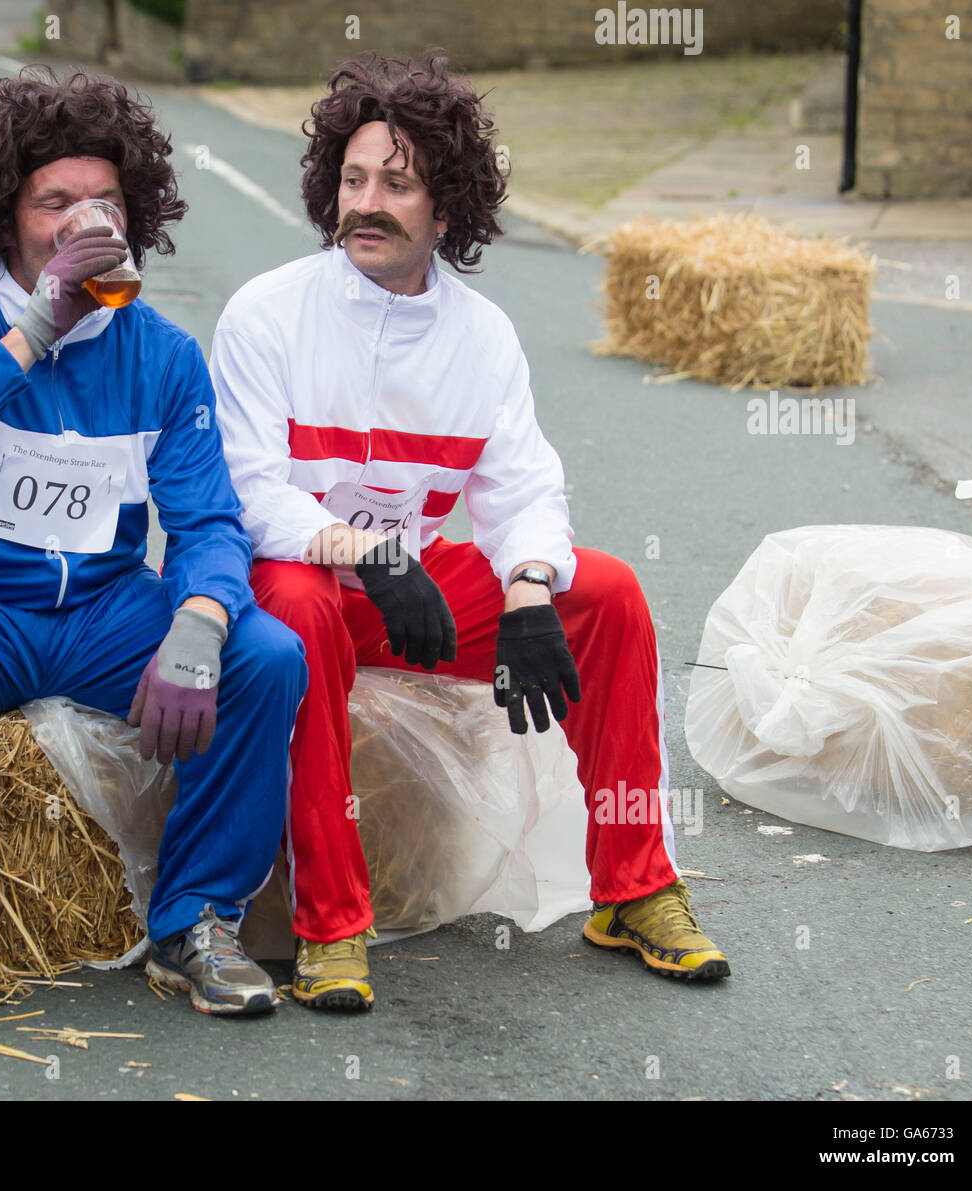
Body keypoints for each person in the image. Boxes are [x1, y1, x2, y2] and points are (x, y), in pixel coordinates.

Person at [209, 50, 729, 1012]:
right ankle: (330, 924)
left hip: (417, 582)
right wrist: (366, 551)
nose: (367, 202)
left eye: (397, 186)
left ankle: (634, 886)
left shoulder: (481, 334)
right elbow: (247, 493)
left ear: (446, 212)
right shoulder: (265, 315)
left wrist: (531, 587)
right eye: (354, 179)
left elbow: (524, 484)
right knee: (295, 603)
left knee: (606, 595)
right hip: (306, 581)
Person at [0, 69, 305, 1030]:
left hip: (96, 610)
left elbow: (210, 520)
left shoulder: (163, 355)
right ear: (4, 220)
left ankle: (198, 922)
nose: (81, 220)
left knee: (264, 654)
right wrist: (27, 335)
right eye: (55, 201)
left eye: (104, 201)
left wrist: (201, 617)